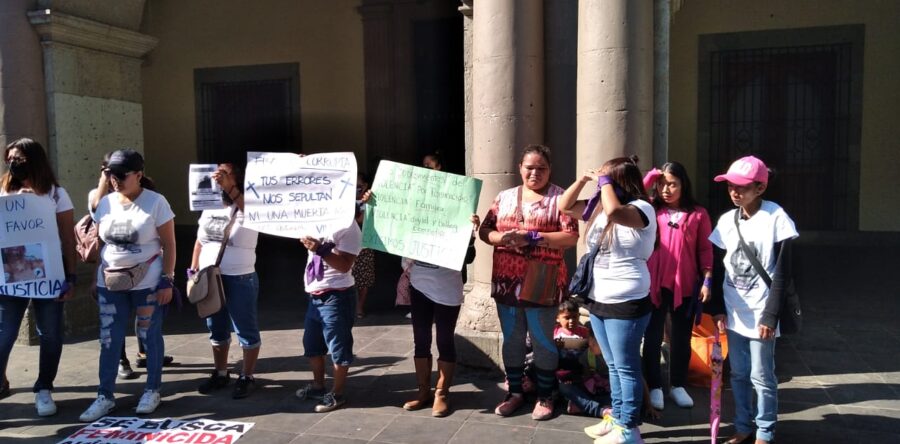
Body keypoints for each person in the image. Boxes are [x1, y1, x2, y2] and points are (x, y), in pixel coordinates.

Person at [559, 155, 656, 444]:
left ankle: (629, 428)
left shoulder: (642, 208)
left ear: (618, 182)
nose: (602, 187)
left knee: (626, 366)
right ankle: (616, 418)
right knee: (612, 365)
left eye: (607, 181)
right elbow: (564, 206)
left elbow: (615, 212)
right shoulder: (600, 207)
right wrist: (583, 180)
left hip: (627, 300)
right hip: (599, 298)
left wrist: (604, 181)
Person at [479, 144, 579, 421]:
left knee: (542, 339)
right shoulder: (505, 197)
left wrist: (534, 237)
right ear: (520, 168)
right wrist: (504, 238)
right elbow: (485, 230)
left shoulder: (561, 199)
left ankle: (546, 395)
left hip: (544, 283)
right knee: (512, 339)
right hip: (507, 279)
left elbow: (571, 237)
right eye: (529, 168)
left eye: (541, 168)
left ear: (550, 170)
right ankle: (514, 391)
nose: (535, 173)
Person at [79, 149, 176, 422]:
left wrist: (167, 279)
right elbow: (101, 242)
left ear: (139, 175)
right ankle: (104, 395)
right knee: (109, 338)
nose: (115, 180)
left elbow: (169, 243)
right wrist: (96, 276)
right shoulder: (106, 203)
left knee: (149, 335)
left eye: (121, 175)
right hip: (110, 281)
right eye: (111, 175)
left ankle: (152, 389)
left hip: (148, 282)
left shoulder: (156, 202)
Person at [708, 156, 797, 444]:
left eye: (742, 187)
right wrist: (718, 308)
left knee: (762, 376)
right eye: (731, 186)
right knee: (739, 375)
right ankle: (743, 425)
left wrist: (771, 316)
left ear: (760, 188)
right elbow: (718, 265)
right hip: (734, 309)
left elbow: (782, 273)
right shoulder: (726, 220)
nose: (735, 192)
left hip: (761, 310)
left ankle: (765, 431)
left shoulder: (776, 218)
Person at [0, 138, 76, 416]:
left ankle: (44, 387)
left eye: (18, 158)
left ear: (34, 160)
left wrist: (71, 276)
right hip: (9, 278)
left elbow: (68, 239)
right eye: (9, 158)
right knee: (4, 335)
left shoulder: (56, 194)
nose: (13, 163)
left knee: (51, 335)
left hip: (50, 276)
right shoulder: (2, 191)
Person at [640, 161, 713, 410]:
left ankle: (678, 384)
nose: (666, 189)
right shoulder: (650, 209)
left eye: (672, 184)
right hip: (653, 284)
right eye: (662, 184)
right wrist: (651, 176)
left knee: (681, 337)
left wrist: (707, 280)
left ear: (684, 185)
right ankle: (656, 385)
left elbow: (705, 250)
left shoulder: (698, 214)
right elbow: (633, 198)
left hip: (684, 284)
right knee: (651, 337)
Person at [190, 163, 261, 399]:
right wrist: (193, 269)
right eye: (217, 173)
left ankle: (247, 376)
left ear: (237, 179)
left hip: (240, 276)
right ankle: (221, 373)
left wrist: (230, 188)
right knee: (216, 327)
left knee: (245, 328)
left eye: (226, 174)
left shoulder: (250, 205)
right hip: (210, 277)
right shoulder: (209, 206)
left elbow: (252, 215)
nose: (218, 178)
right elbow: (200, 241)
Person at [400, 214, 479, 417]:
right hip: (419, 286)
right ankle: (423, 390)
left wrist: (469, 236)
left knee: (444, 339)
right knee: (421, 339)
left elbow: (469, 258)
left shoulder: (456, 218)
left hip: (447, 289)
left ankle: (442, 394)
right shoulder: (416, 218)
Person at [294, 210, 361, 413]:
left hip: (337, 295)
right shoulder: (314, 219)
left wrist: (320, 249)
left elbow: (344, 265)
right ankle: (318, 386)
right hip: (315, 295)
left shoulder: (348, 226)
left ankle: (338, 394)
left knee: (338, 347)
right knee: (312, 344)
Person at [352, 173, 375, 319]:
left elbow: (361, 220)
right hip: (348, 247)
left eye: (360, 186)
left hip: (365, 247)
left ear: (366, 186)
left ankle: (360, 307)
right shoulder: (345, 200)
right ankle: (352, 306)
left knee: (363, 280)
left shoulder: (371, 202)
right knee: (349, 279)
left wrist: (367, 204)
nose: (357, 189)